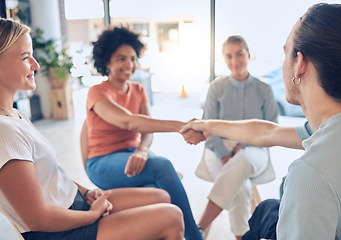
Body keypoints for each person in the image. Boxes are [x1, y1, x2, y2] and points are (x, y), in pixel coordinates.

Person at [182, 3, 341, 240]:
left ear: (299, 64)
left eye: (285, 53)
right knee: (265, 211)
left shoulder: (310, 175)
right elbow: (267, 132)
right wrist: (207, 125)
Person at [0, 18, 185, 240]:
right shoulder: (4, 131)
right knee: (171, 216)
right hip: (63, 231)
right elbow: (37, 219)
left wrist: (87, 192)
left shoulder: (15, 116)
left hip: (75, 205)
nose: (36, 65)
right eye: (24, 57)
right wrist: (93, 215)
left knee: (162, 197)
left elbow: (49, 175)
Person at [85, 26, 204, 240]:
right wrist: (181, 126)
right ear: (107, 62)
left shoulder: (138, 90)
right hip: (102, 163)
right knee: (163, 166)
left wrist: (141, 150)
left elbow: (146, 129)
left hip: (133, 156)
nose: (129, 64)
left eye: (132, 58)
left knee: (158, 191)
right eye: (121, 58)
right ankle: (195, 237)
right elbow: (129, 122)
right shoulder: (98, 92)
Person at [197, 35, 278, 239]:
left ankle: (199, 227)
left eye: (239, 54)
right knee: (241, 188)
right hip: (217, 147)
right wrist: (225, 154)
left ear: (249, 55)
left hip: (255, 148)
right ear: (224, 59)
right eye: (229, 56)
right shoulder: (216, 88)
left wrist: (244, 145)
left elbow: (272, 131)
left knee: (242, 161)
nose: (234, 61)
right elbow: (208, 128)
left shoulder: (264, 90)